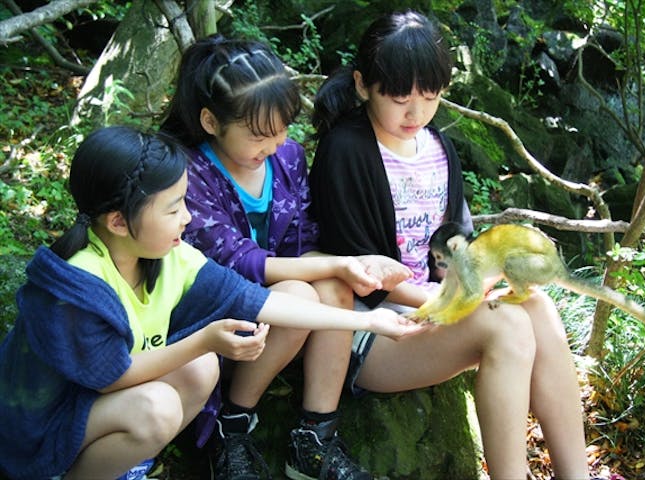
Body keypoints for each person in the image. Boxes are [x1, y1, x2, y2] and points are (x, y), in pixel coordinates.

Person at [0, 126, 423, 480]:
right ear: (118, 222)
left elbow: (254, 300)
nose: (187, 217)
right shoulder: (78, 282)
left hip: (92, 409)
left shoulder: (168, 255)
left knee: (199, 372)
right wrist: (204, 340)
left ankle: (118, 464)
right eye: (173, 209)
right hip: (39, 430)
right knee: (159, 406)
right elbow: (112, 377)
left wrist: (373, 322)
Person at [309, 10, 596, 480]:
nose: (415, 112)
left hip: (434, 313)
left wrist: (475, 284)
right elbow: (361, 277)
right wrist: (446, 301)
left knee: (537, 306)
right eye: (399, 97)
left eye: (429, 96)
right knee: (506, 327)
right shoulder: (345, 150)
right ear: (363, 86)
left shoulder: (439, 148)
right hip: (373, 331)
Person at [159, 35, 412, 480]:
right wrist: (334, 262)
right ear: (211, 121)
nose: (274, 144)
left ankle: (315, 437)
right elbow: (240, 263)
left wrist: (356, 266)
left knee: (333, 286)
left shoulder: (287, 158)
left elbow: (303, 240)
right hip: (209, 315)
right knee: (302, 290)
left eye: (282, 129)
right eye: (259, 134)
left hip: (274, 317)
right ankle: (232, 426)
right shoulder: (188, 172)